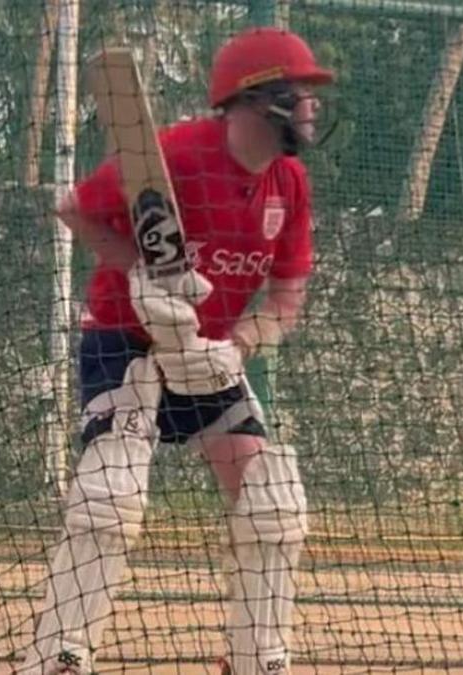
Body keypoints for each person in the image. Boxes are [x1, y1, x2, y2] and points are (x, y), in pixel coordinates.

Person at [20, 27, 335, 675]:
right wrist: (139, 269)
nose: (312, 104)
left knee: (274, 501)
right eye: (300, 90)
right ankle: (59, 655)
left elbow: (286, 299)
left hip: (208, 353)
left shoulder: (290, 182)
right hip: (124, 340)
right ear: (257, 97)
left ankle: (255, 659)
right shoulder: (179, 154)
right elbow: (74, 208)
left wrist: (238, 347)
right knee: (109, 497)